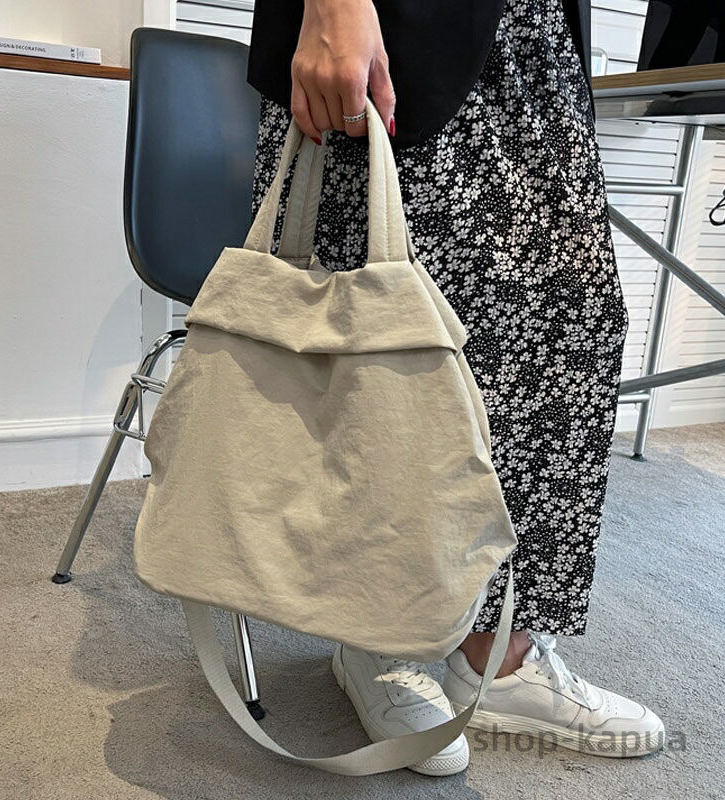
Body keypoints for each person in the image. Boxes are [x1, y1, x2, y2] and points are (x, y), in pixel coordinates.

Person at [247, 0, 666, 775]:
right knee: (384, 345)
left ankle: (496, 657)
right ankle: (377, 637)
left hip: (533, 40)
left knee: (561, 335)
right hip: (388, 32)